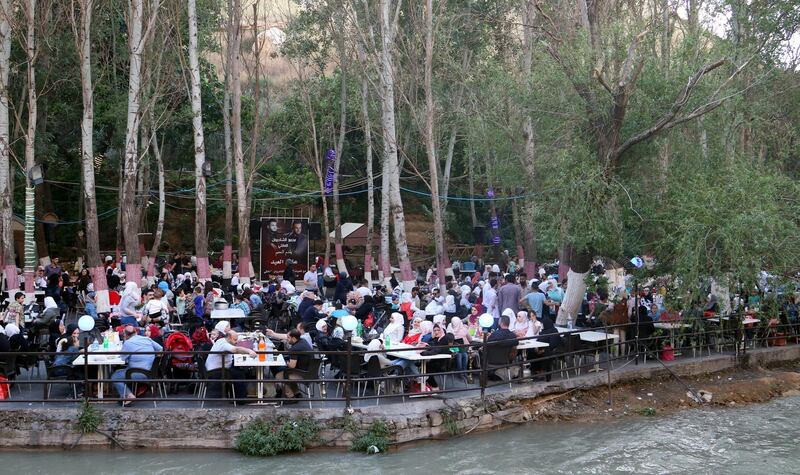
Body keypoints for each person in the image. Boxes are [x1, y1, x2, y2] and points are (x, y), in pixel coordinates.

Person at [111, 325, 163, 406]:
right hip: (152, 372)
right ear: (136, 332)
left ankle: (129, 396)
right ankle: (126, 394)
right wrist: (154, 359)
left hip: (137, 373)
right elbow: (160, 349)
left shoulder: (128, 343)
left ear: (125, 335)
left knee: (115, 376)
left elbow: (122, 358)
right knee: (119, 372)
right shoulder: (147, 339)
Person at [205, 329, 257, 401]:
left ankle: (239, 395)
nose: (236, 342)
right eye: (235, 340)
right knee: (239, 373)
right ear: (229, 337)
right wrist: (249, 351)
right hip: (216, 371)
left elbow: (236, 343)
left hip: (218, 368)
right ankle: (241, 399)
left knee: (242, 370)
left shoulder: (222, 340)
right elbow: (235, 350)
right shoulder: (224, 344)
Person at [274, 329, 313, 402]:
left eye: (288, 338)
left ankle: (291, 397)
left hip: (303, 374)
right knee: (288, 372)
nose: (287, 339)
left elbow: (292, 366)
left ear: (294, 338)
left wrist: (287, 362)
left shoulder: (295, 348)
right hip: (310, 372)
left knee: (279, 376)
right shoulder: (303, 341)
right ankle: (297, 393)